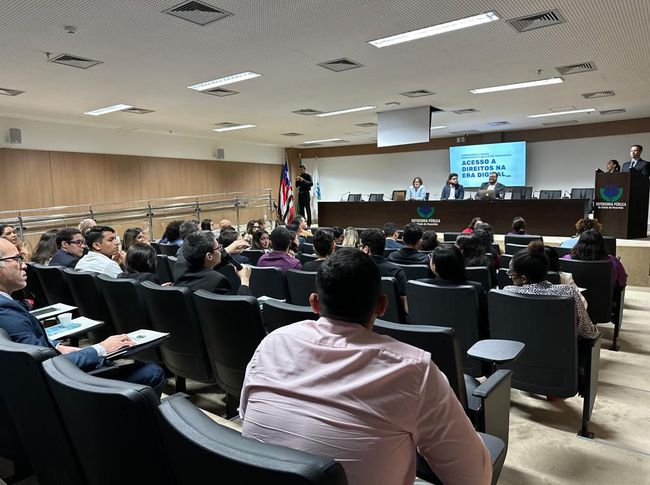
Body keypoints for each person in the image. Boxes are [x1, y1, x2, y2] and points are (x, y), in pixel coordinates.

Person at [240, 248, 491, 485]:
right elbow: (474, 478)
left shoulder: (272, 342)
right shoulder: (415, 371)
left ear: (314, 303)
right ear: (382, 306)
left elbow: (245, 415)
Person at [0, 237, 166, 396]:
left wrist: (58, 346)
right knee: (151, 372)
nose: (24, 265)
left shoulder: (6, 304)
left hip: (59, 368)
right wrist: (101, 348)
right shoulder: (6, 311)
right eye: (17, 259)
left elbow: (36, 348)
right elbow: (43, 365)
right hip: (66, 383)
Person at [503, 241, 599, 339]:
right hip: (561, 348)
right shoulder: (567, 292)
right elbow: (588, 332)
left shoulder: (507, 292)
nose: (510, 276)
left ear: (524, 279)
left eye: (511, 273)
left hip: (519, 347)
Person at [173, 231, 252, 295]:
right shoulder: (217, 281)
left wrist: (227, 250)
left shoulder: (179, 265)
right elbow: (242, 308)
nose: (221, 249)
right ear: (209, 256)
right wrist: (244, 281)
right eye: (219, 247)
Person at [563, 229, 627, 289]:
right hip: (604, 296)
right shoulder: (613, 261)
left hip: (574, 296)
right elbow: (622, 282)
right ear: (602, 244)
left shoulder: (566, 259)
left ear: (579, 243)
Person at [359, 229, 408, 306]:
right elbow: (405, 306)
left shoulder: (355, 269)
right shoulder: (397, 272)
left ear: (366, 249)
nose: (358, 249)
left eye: (360, 246)